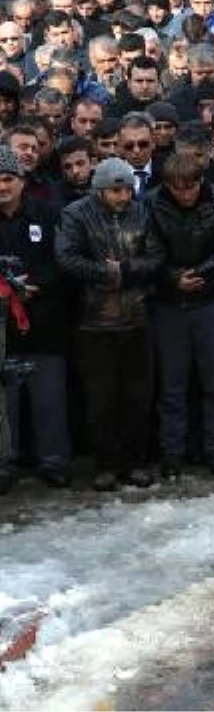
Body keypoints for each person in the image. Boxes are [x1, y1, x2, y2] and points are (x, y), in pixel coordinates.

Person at [55, 158, 161, 491]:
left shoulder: (142, 212)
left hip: (135, 318)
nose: (123, 196)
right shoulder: (75, 214)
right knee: (100, 399)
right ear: (100, 190)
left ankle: (136, 461)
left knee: (138, 397)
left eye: (127, 189)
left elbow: (156, 257)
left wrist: (125, 270)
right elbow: (67, 257)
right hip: (94, 322)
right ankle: (105, 463)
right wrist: (106, 273)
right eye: (116, 190)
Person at [145, 153, 214, 479]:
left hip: (210, 297)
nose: (185, 194)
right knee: (172, 386)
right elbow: (150, 249)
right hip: (168, 302)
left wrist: (199, 274)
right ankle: (172, 453)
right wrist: (173, 278)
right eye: (178, 188)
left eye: (191, 187)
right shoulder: (152, 203)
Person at [0, 145, 71, 489]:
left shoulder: (47, 214)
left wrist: (34, 285)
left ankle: (53, 461)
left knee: (50, 400)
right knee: (5, 406)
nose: (2, 186)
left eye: (8, 179)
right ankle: (5, 464)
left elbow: (63, 261)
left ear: (21, 181)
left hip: (45, 322)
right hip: (2, 328)